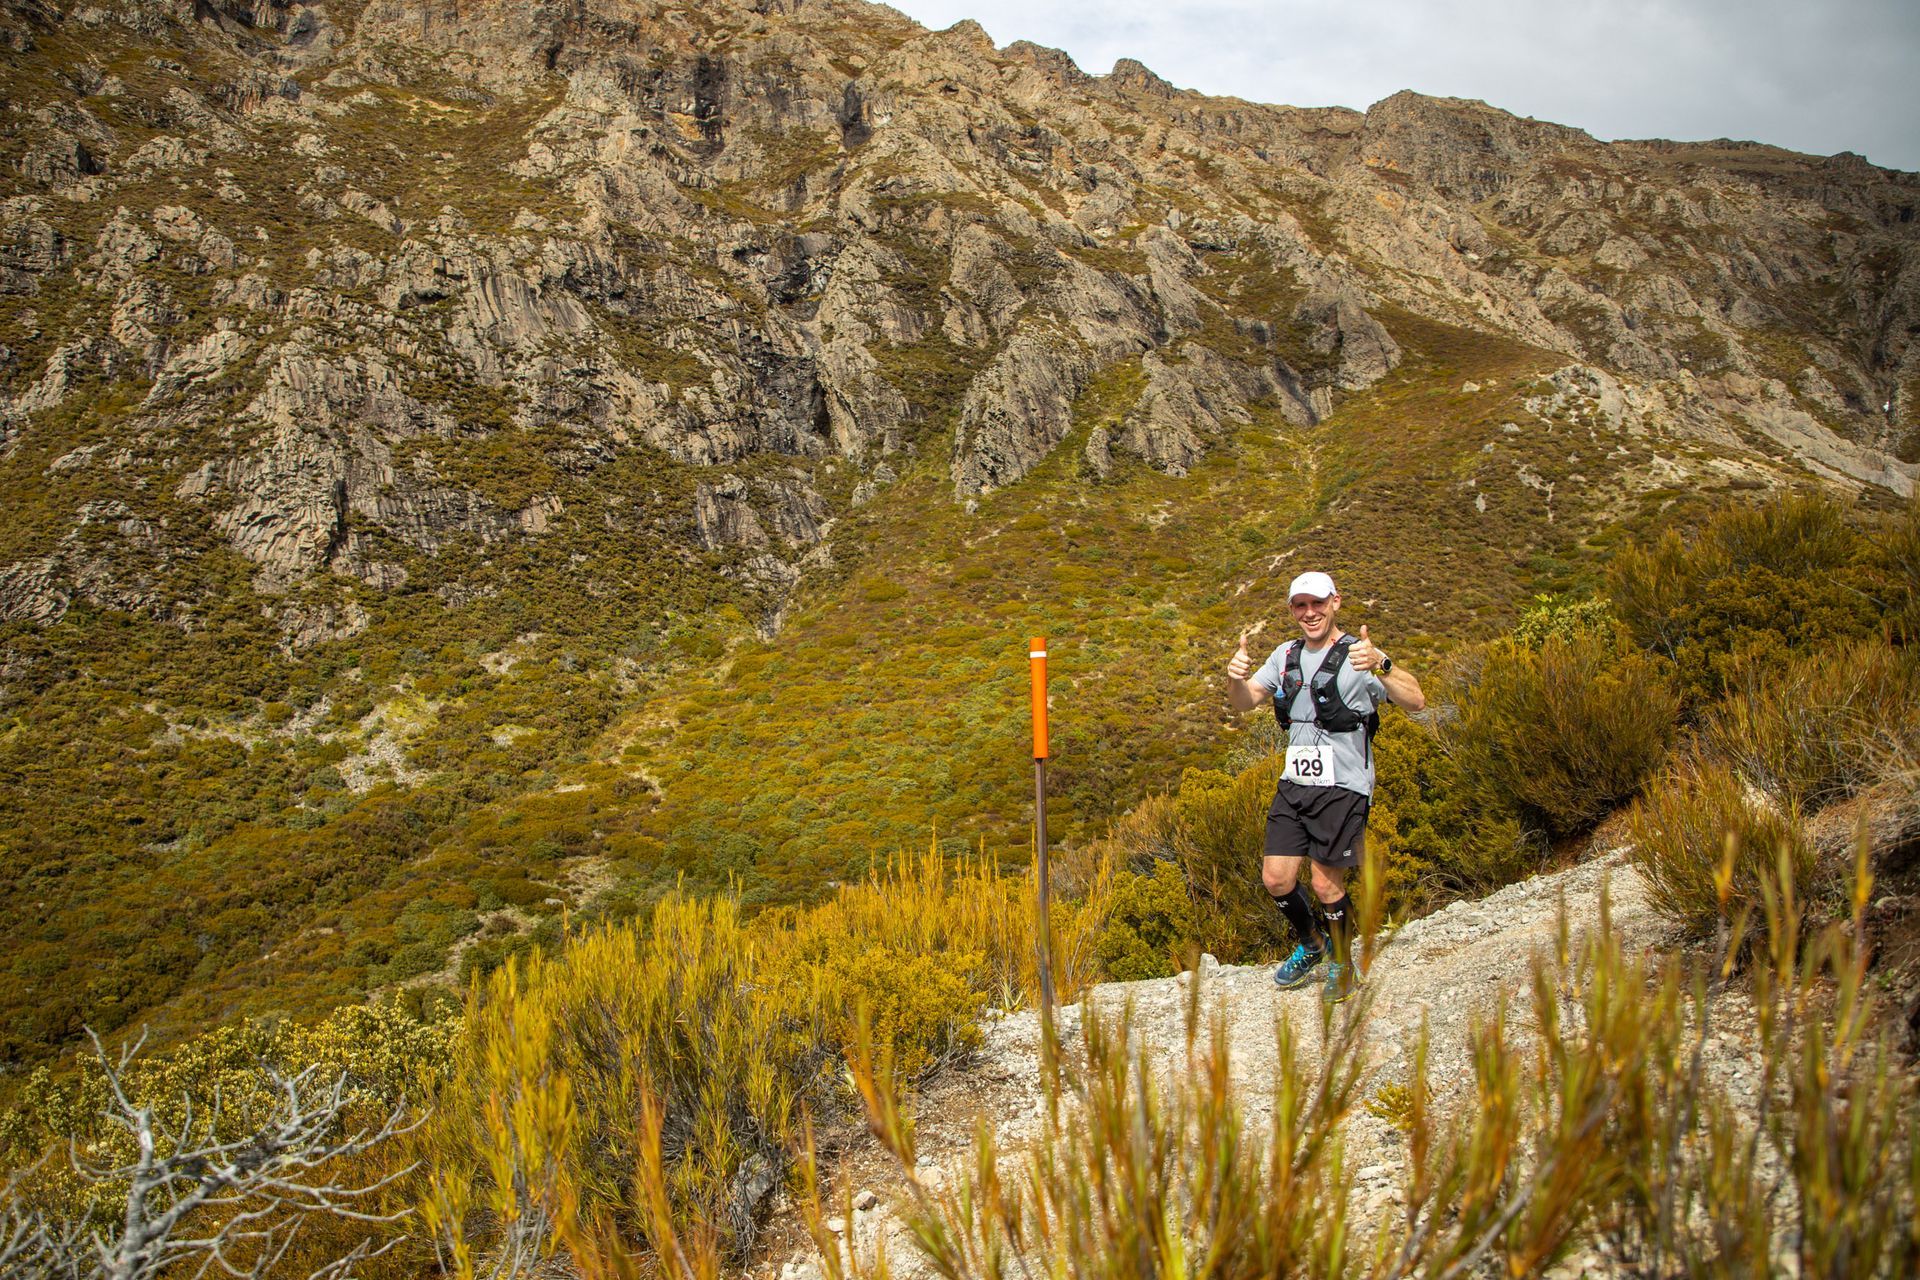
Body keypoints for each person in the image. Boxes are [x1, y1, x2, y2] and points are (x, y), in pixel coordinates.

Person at [1225, 571, 1426, 1003]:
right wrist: (1235, 678)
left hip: (1344, 785)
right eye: (1300, 605)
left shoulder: (1359, 655)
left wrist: (1382, 664)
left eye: (1317, 603)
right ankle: (1313, 944)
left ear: (1335, 602)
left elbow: (1416, 700)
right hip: (1295, 782)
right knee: (1276, 879)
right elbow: (1244, 702)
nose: (1310, 612)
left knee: (1325, 885)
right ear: (1292, 610)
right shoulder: (1285, 655)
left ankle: (1343, 962)